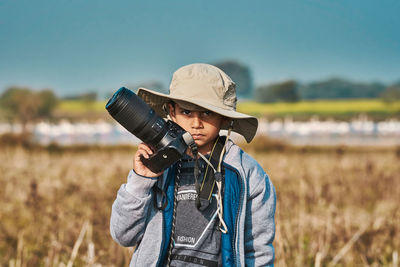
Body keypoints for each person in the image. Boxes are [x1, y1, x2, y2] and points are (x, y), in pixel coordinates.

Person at [110, 63, 276, 267]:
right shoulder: (156, 165)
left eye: (207, 113)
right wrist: (140, 181)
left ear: (224, 119)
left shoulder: (246, 173)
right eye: (187, 112)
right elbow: (123, 235)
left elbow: (258, 249)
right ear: (171, 111)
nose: (196, 123)